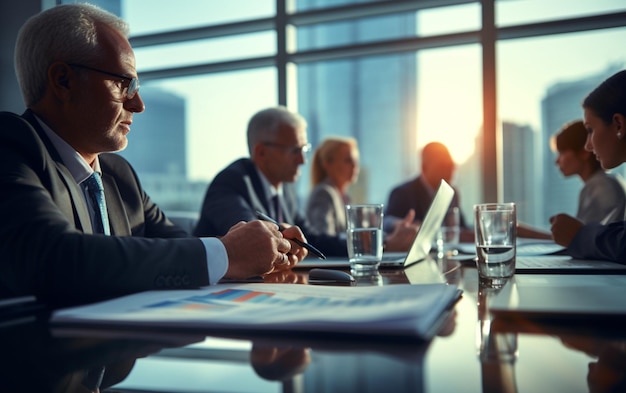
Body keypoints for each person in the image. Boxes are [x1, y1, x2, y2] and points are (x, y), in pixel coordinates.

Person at [0, 3, 306, 306]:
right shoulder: (10, 145)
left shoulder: (119, 175)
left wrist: (256, 253)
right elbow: (56, 258)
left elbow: (181, 250)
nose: (138, 104)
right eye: (126, 84)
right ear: (63, 81)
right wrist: (227, 254)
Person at [193, 106, 418, 256]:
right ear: (261, 152)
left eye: (304, 149)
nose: (303, 160)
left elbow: (313, 239)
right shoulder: (232, 182)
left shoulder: (286, 191)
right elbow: (251, 238)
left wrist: (381, 244)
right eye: (294, 151)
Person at [550, 70, 626, 262]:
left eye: (590, 130)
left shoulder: (602, 188)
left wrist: (579, 236)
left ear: (618, 125)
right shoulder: (595, 187)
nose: (588, 145)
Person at [518, 120, 626, 239]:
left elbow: (583, 241)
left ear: (584, 152)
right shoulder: (604, 182)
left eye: (562, 153)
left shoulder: (601, 187)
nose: (557, 161)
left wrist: (527, 233)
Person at [384, 141, 473, 241]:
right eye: (442, 166)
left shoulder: (452, 193)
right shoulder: (402, 193)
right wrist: (399, 224)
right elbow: (386, 221)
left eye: (451, 165)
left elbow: (461, 227)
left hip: (449, 253)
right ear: (424, 167)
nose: (449, 171)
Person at [305, 136, 360, 236]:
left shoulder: (346, 198)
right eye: (348, 160)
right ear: (328, 164)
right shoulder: (323, 194)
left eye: (355, 160)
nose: (354, 165)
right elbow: (324, 237)